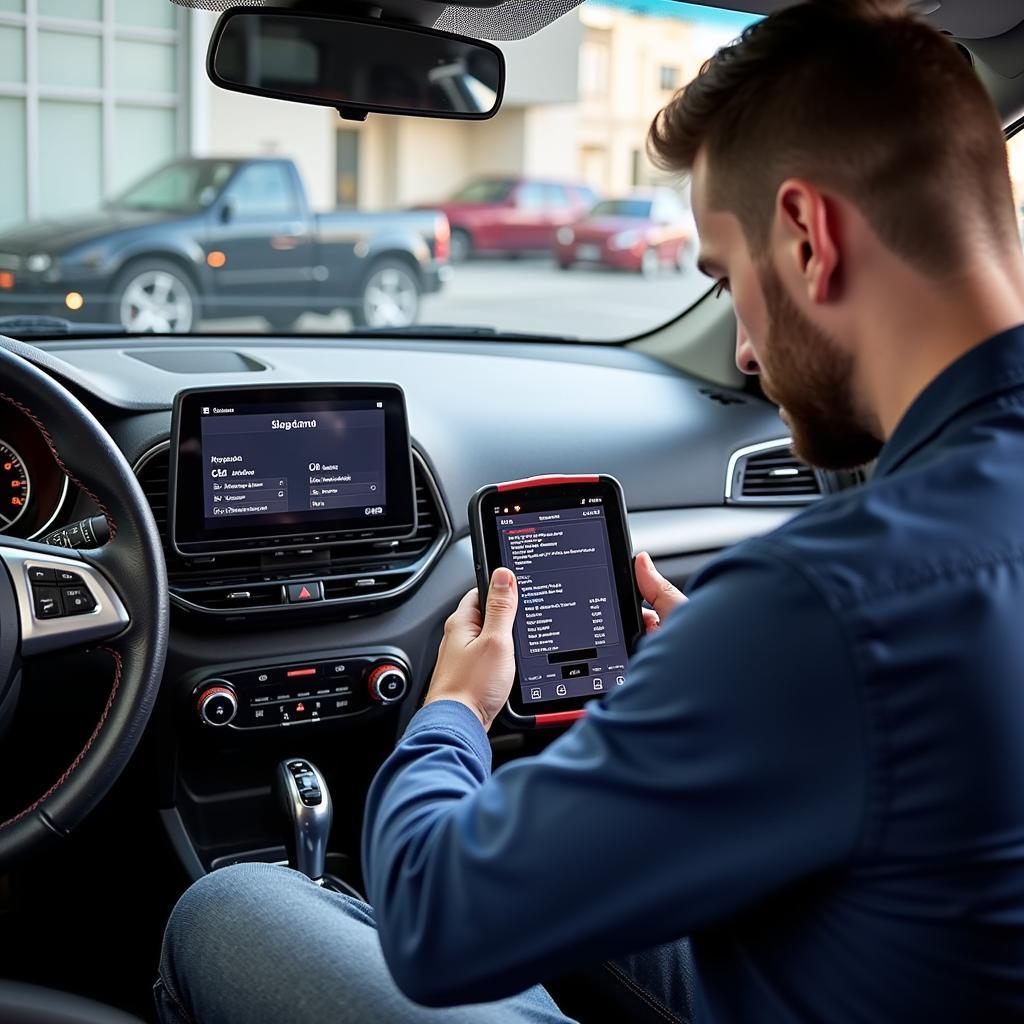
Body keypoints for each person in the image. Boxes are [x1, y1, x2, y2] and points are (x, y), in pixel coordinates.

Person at [153, 0, 1024, 1020]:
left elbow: (438, 921)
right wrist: (724, 680)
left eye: (726, 277)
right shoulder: (854, 607)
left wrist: (454, 710)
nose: (744, 352)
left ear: (805, 235)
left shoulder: (822, 609)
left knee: (231, 906)